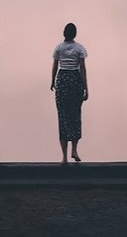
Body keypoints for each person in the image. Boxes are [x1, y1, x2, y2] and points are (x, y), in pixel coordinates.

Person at [50, 22, 88, 164]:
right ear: (75, 34)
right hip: (75, 80)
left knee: (63, 116)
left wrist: (52, 81)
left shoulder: (59, 48)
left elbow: (55, 66)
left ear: (64, 33)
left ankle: (64, 156)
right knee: (75, 115)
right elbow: (83, 69)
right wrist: (86, 88)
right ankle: (74, 149)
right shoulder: (79, 48)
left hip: (62, 80)